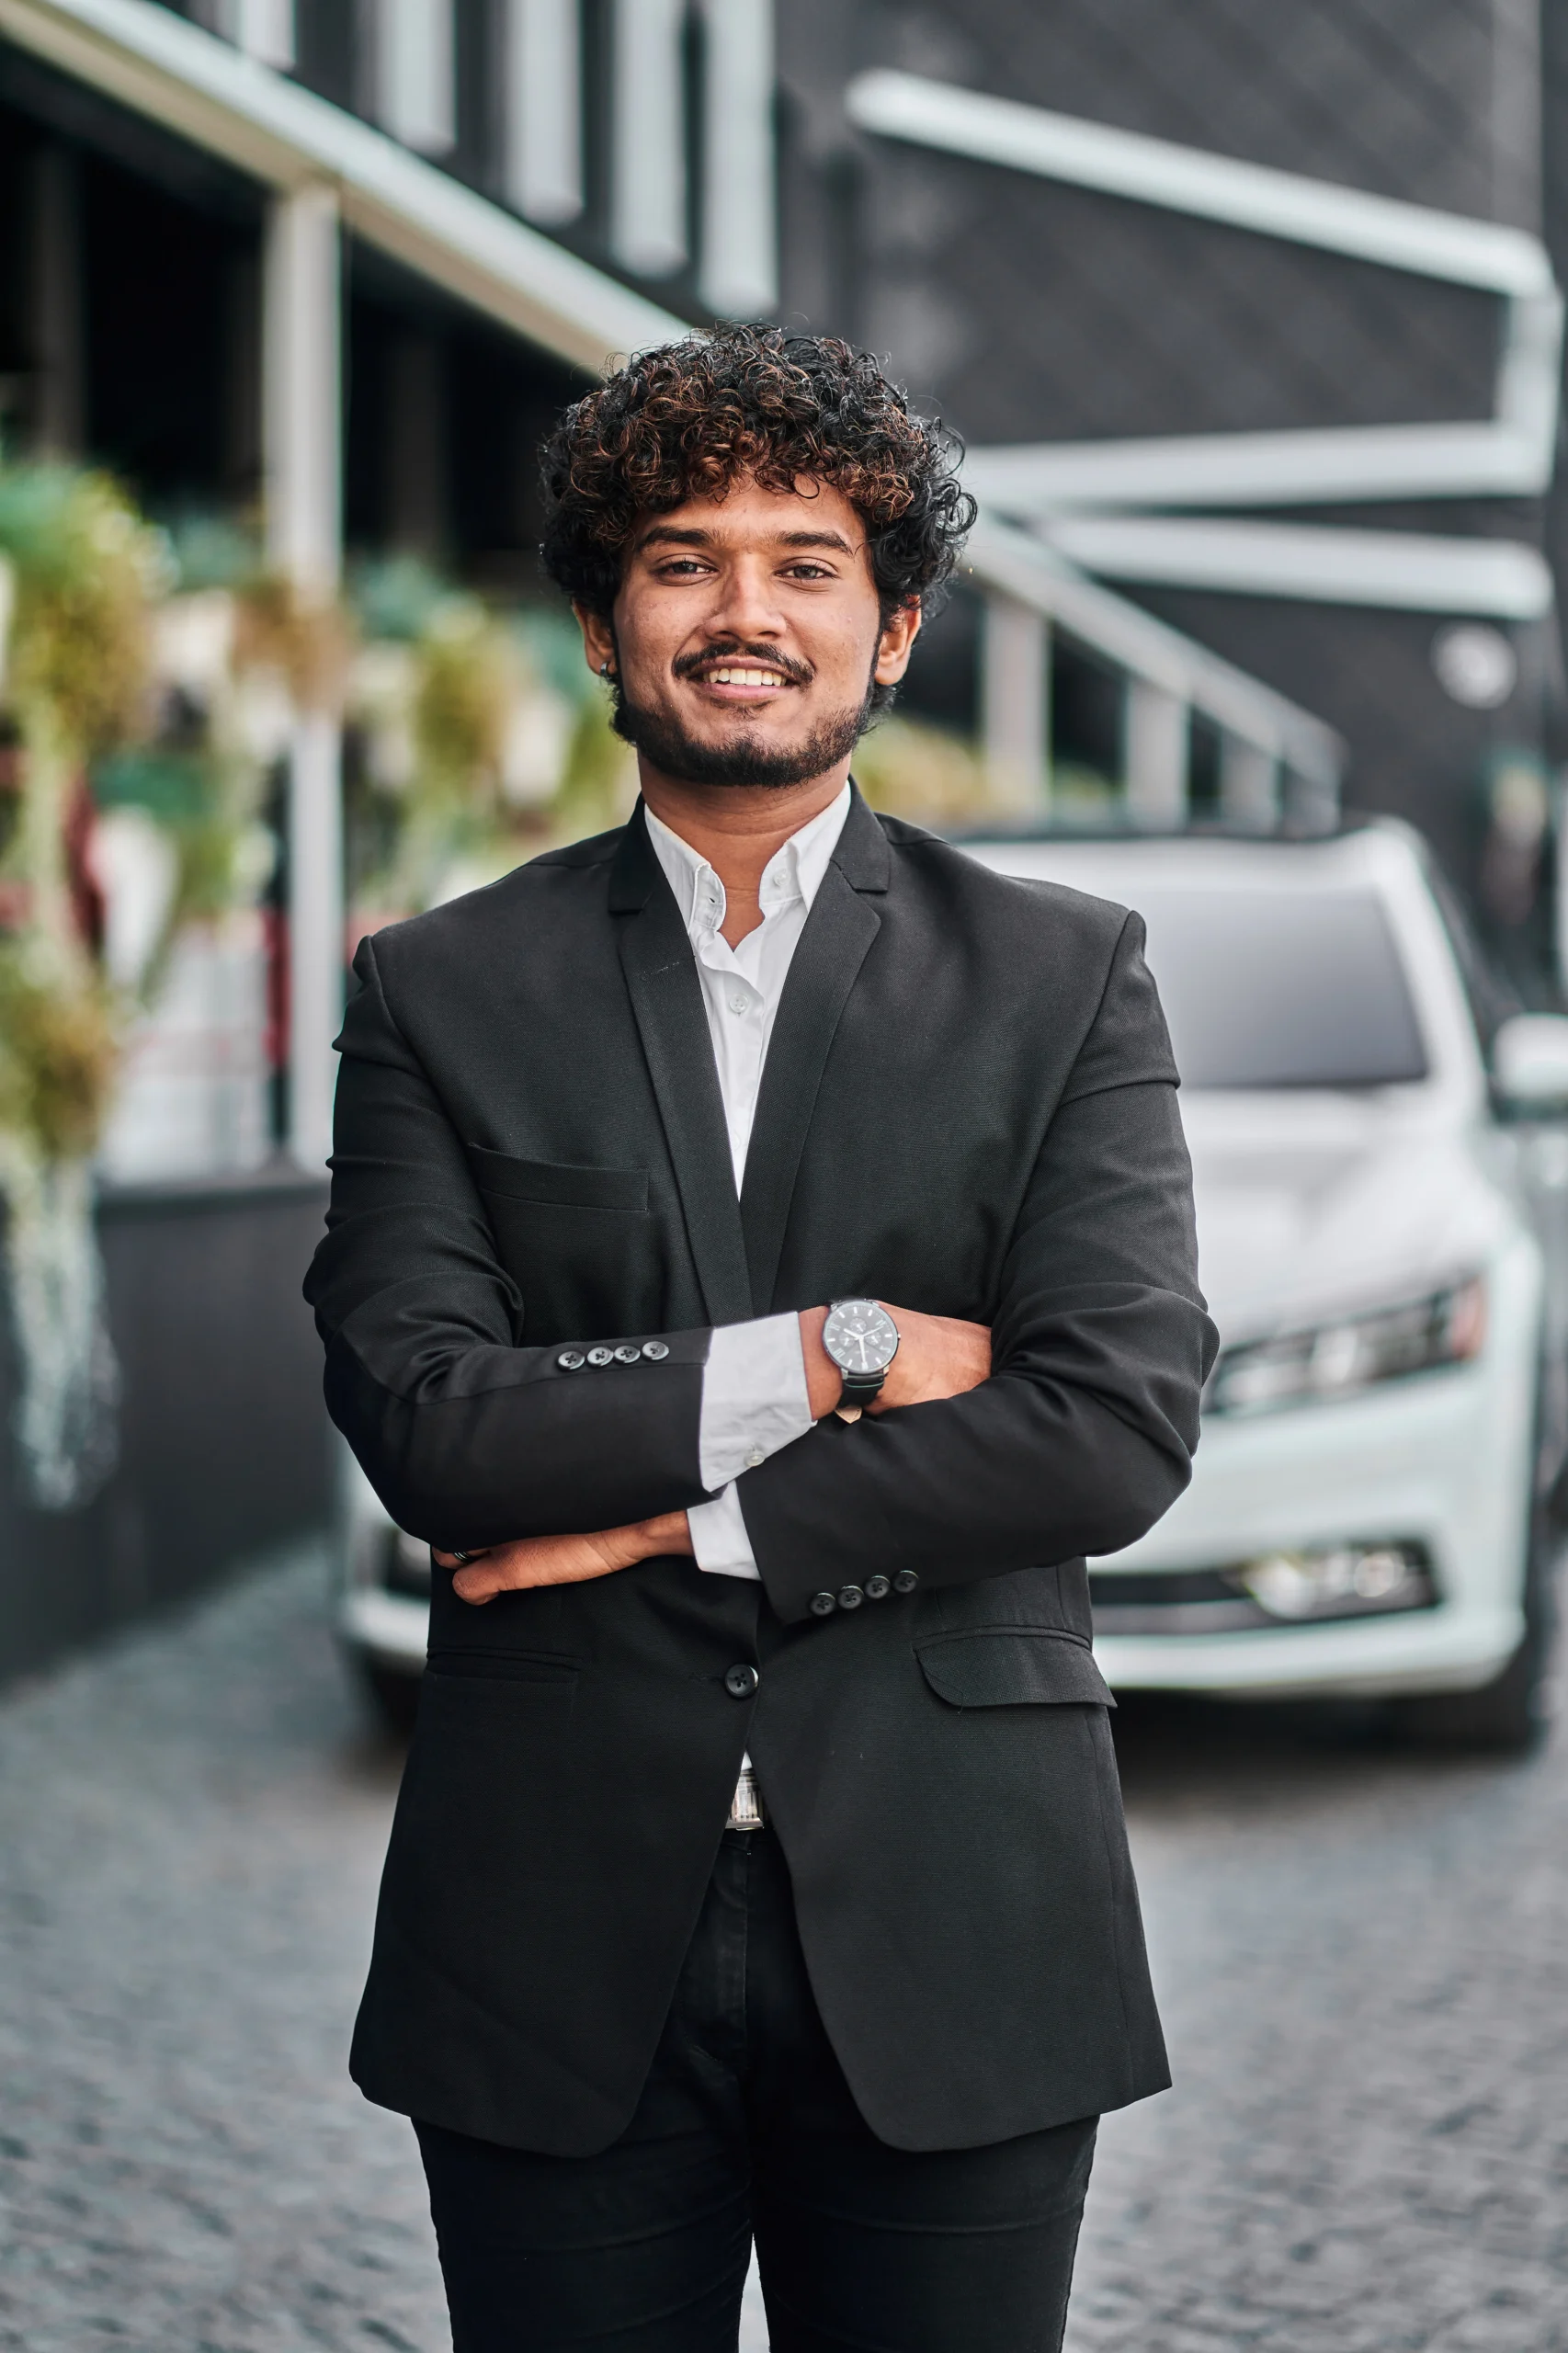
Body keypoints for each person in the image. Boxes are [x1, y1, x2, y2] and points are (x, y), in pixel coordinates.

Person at [305, 325, 1216, 2352]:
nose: (743, 611)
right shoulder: (441, 991)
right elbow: (436, 1428)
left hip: (960, 1905)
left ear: (890, 634)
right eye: (683, 557)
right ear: (599, 625)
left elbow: (1107, 1426)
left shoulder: (1063, 977)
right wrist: (842, 1344)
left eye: (805, 561)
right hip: (550, 1928)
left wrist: (653, 1523)